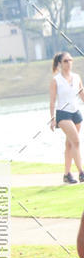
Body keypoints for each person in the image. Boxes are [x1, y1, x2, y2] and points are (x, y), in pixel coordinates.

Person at [49, 51, 84, 184]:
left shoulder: (76, 77)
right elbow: (52, 101)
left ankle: (67, 174)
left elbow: (82, 95)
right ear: (59, 63)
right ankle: (81, 172)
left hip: (76, 113)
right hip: (63, 114)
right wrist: (52, 118)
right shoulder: (55, 80)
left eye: (70, 60)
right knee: (76, 141)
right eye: (65, 61)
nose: (69, 63)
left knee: (70, 144)